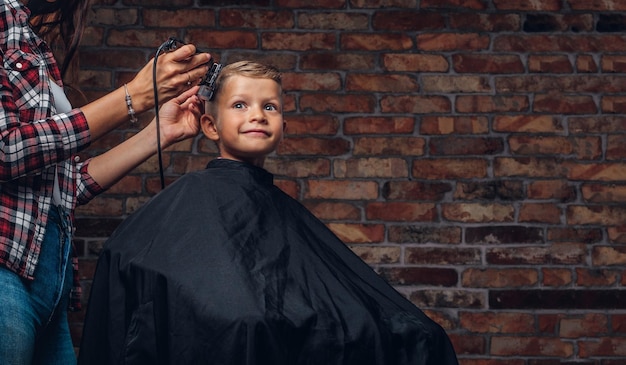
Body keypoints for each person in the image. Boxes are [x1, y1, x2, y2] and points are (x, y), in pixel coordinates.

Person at [78, 61, 459, 365]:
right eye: (240, 104)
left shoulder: (281, 211)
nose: (257, 115)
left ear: (284, 126)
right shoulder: (191, 201)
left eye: (270, 106)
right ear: (210, 125)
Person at [0, 0, 211, 363]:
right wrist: (133, 96)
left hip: (52, 284)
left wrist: (158, 132)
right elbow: (6, 150)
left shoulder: (36, 46)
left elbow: (69, 186)